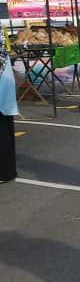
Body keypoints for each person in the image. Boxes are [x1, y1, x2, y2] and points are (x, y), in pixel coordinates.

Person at [0, 24, 17, 183]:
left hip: (2, 82)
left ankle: (5, 172)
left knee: (3, 129)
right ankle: (7, 171)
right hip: (4, 81)